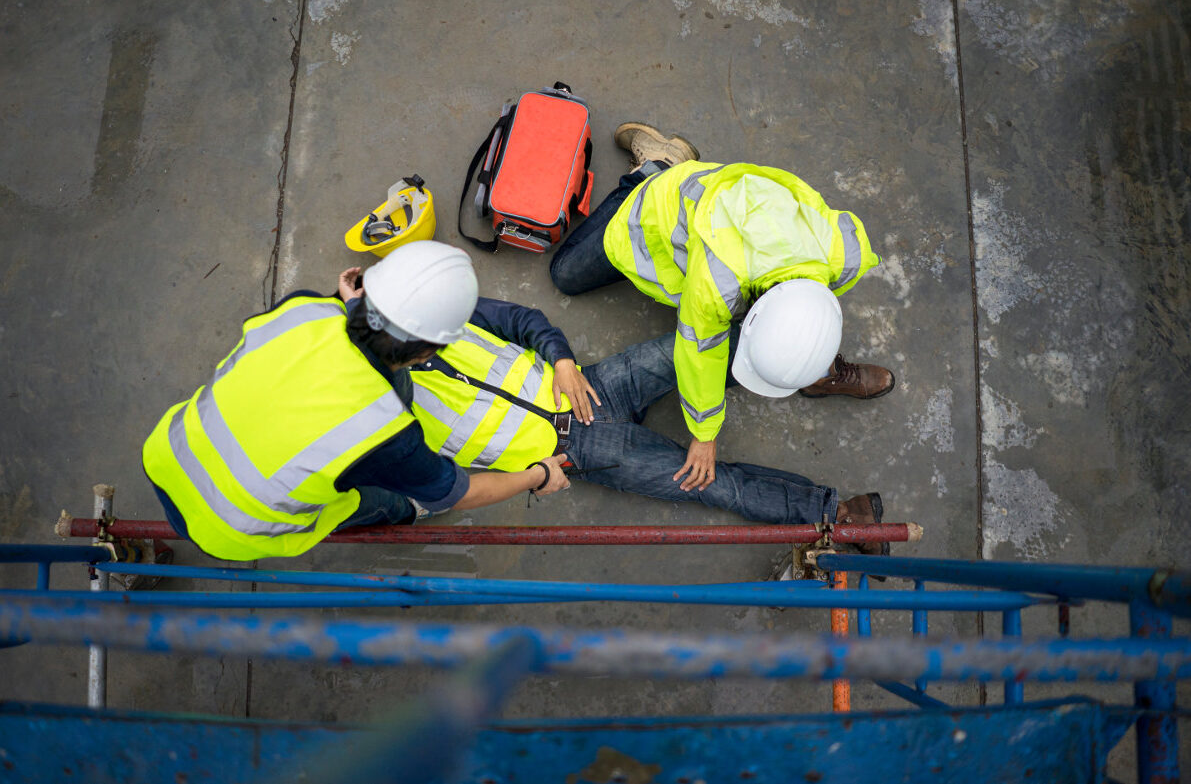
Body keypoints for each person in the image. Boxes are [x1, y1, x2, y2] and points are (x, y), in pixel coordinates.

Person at [141, 241, 569, 561]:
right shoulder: (386, 430)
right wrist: (537, 475)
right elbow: (460, 493)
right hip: (232, 528)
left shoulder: (303, 307)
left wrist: (351, 308)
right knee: (381, 498)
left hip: (168, 452)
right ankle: (405, 510)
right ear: (426, 354)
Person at [550, 123, 896, 494]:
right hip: (655, 212)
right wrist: (704, 434)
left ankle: (818, 371)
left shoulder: (846, 253)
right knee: (566, 275)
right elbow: (699, 354)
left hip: (725, 217)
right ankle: (657, 165)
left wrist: (810, 349)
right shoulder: (717, 284)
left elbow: (814, 310)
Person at [407, 295, 887, 552]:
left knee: (701, 348)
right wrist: (537, 476)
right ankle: (840, 515)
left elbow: (520, 320)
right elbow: (446, 491)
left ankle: (808, 370)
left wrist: (562, 361)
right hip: (577, 452)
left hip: (592, 385)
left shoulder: (422, 312)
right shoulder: (382, 424)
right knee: (714, 484)